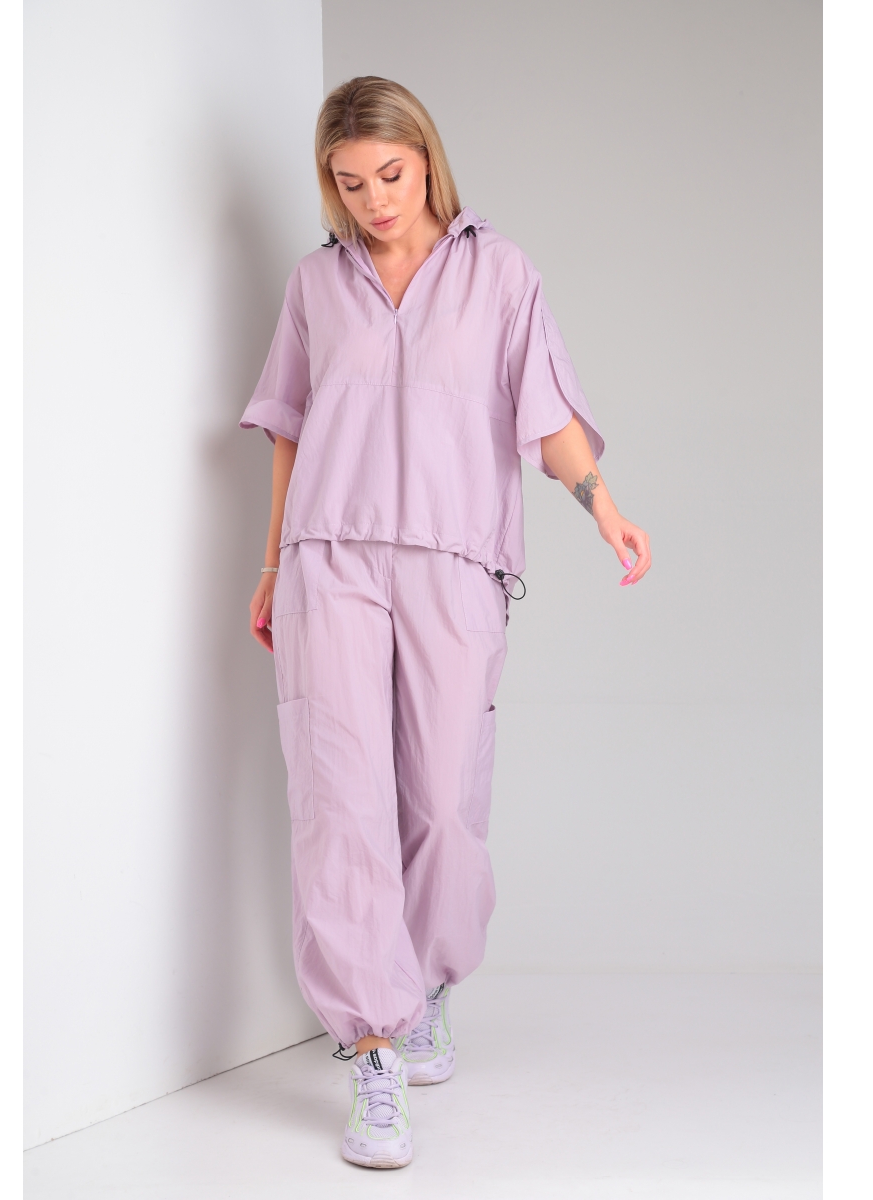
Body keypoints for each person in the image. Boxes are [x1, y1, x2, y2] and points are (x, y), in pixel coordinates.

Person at [243, 76, 650, 1170]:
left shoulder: (500, 274)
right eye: (349, 183)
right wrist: (273, 562)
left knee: (442, 800)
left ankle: (426, 983)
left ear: (425, 157)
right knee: (339, 797)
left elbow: (547, 415)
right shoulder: (316, 286)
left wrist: (602, 506)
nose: (374, 199)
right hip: (331, 556)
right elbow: (289, 428)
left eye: (391, 173)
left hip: (457, 562)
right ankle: (372, 1048)